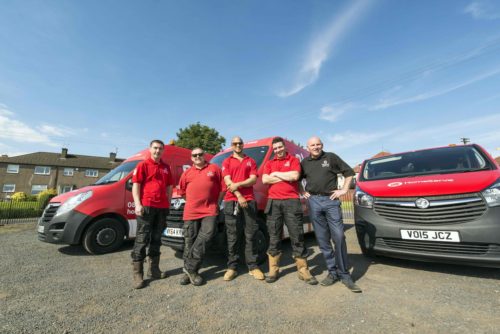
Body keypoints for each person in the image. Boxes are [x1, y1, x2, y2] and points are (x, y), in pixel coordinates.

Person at [300, 136, 362, 293]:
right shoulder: (304, 163)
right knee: (322, 239)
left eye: (318, 144)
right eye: (312, 145)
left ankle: (344, 274)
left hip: (331, 200)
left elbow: (349, 173)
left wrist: (344, 190)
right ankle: (332, 273)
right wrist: (302, 191)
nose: (315, 147)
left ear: (322, 145)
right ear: (307, 148)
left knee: (339, 236)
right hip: (314, 201)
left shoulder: (331, 157)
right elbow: (296, 179)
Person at [262, 137, 318, 285]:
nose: (278, 150)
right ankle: (273, 269)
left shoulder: (293, 160)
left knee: (297, 235)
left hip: (292, 202)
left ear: (284, 147)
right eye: (275, 149)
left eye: (280, 147)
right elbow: (264, 180)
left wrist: (275, 175)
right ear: (273, 150)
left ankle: (303, 271)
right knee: (274, 237)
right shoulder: (269, 163)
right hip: (273, 202)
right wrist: (284, 177)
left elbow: (294, 176)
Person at [130, 139, 174, 289]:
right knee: (142, 239)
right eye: (155, 148)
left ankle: (154, 270)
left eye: (160, 149)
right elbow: (136, 186)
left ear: (163, 151)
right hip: (146, 207)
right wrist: (137, 204)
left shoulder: (166, 167)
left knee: (156, 239)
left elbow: (169, 186)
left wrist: (168, 203)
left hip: (161, 208)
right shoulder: (142, 165)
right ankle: (138, 274)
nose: (157, 151)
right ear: (150, 149)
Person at [178, 148, 223, 286]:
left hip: (209, 210)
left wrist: (217, 202)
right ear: (191, 158)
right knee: (189, 241)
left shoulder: (214, 168)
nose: (197, 156)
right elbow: (182, 192)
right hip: (191, 211)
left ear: (204, 156)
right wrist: (194, 201)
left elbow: (223, 188)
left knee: (207, 234)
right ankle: (192, 271)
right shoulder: (186, 173)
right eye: (194, 155)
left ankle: (188, 269)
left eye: (200, 154)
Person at [222, 136, 265, 281]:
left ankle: (253, 266)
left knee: (251, 233)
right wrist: (239, 195)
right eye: (235, 143)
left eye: (240, 143)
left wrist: (238, 185)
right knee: (233, 235)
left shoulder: (250, 161)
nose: (238, 145)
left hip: (250, 201)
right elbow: (228, 181)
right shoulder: (226, 161)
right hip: (231, 201)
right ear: (231, 145)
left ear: (243, 145)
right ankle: (232, 267)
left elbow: (253, 179)